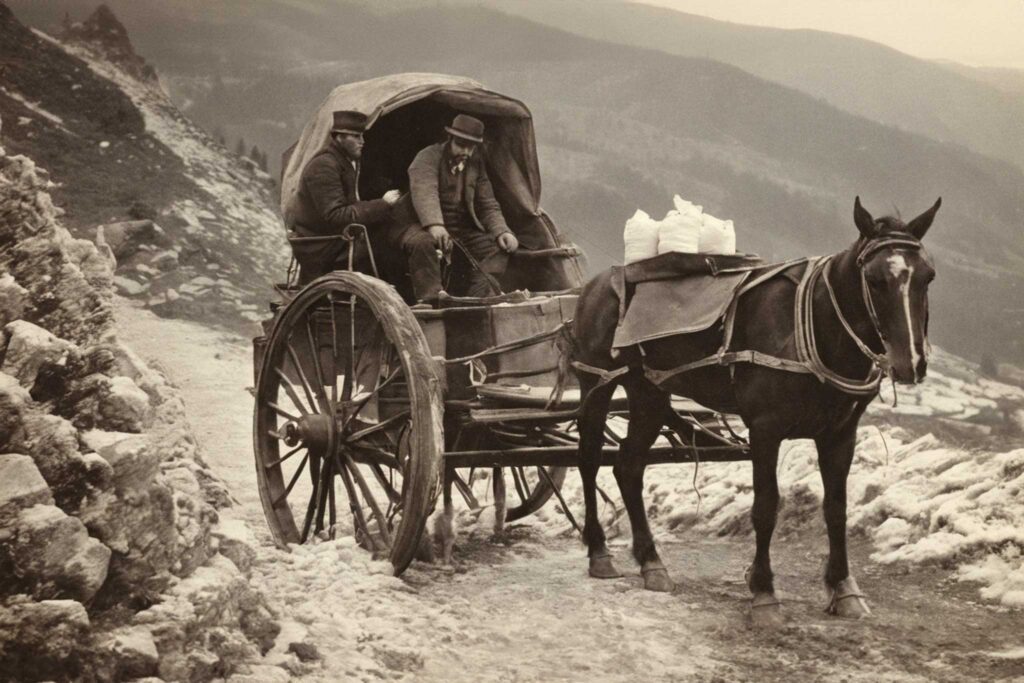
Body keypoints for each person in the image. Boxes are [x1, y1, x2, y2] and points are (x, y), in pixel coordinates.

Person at [392, 113, 519, 306]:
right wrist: (434, 224)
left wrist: (501, 230)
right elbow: (425, 191)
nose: (466, 152)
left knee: (495, 248)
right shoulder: (427, 157)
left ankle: (472, 301)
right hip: (415, 224)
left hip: (458, 230)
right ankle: (431, 300)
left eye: (471, 147)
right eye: (462, 145)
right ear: (449, 139)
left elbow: (487, 203)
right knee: (423, 242)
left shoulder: (475, 164)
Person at [288, 110, 402, 283]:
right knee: (387, 240)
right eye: (356, 136)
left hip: (335, 239)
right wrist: (383, 204)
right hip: (321, 246)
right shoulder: (323, 166)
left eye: (362, 136)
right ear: (339, 137)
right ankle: (397, 293)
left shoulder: (343, 162)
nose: (362, 142)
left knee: (392, 231)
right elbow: (335, 215)